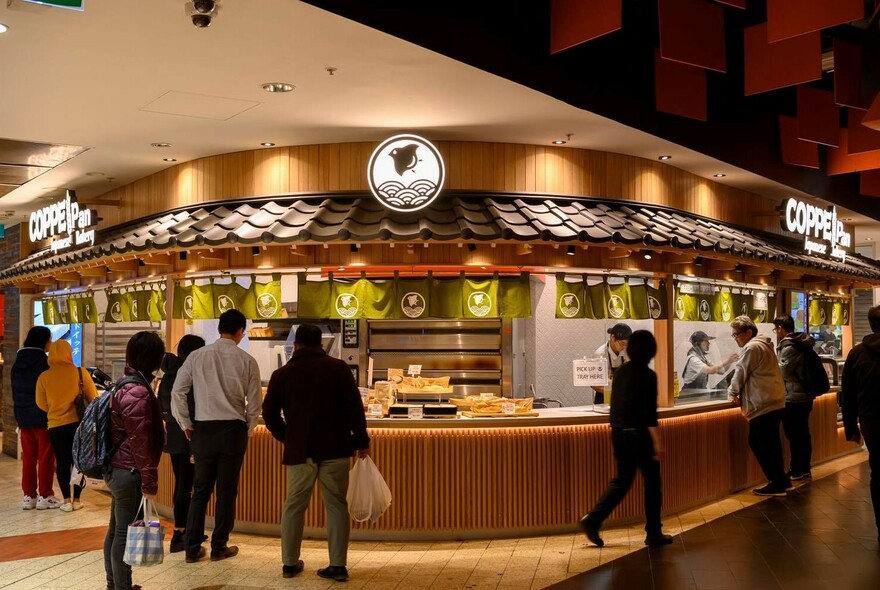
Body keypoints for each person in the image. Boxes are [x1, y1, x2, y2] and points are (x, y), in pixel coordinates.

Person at [262, 324, 370, 581]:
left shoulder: (282, 373)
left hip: (300, 450)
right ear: (321, 344)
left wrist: (287, 436)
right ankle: (338, 565)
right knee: (336, 505)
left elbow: (269, 414)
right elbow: (355, 408)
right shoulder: (338, 368)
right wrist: (361, 439)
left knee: (294, 505)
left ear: (296, 345)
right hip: (335, 447)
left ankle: (289, 563)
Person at [171, 309, 262, 563]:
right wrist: (248, 428)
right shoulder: (247, 360)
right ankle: (219, 546)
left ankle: (191, 547)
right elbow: (255, 403)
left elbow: (178, 392)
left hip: (203, 430)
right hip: (233, 430)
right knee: (226, 490)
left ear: (220, 328)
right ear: (241, 332)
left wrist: (186, 423)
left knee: (200, 490)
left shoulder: (197, 357)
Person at [579, 330, 672, 547]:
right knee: (652, 483)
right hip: (639, 434)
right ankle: (654, 533)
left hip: (618, 432)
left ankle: (594, 518)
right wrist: (657, 442)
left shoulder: (621, 372)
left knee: (622, 480)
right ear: (651, 350)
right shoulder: (648, 375)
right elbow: (649, 414)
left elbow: (615, 405)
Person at [104, 332, 166, 590]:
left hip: (117, 468)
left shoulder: (126, 383)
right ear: (153, 358)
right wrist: (150, 480)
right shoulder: (137, 391)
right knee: (121, 534)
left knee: (116, 530)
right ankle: (121, 586)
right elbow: (140, 442)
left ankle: (114, 584)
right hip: (128, 471)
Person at [727, 315, 792, 496]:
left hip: (762, 402)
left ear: (748, 332)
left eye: (736, 334)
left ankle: (776, 482)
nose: (735, 338)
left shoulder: (752, 347)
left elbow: (740, 371)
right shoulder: (764, 345)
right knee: (771, 443)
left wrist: (732, 393)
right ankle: (781, 480)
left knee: (758, 441)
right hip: (774, 400)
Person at [35, 339, 99, 512]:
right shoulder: (80, 372)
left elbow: (41, 403)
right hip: (77, 425)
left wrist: (55, 409)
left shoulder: (44, 377)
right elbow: (93, 398)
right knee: (78, 461)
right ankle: (77, 500)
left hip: (55, 425)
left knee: (62, 462)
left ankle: (65, 501)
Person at [157, 335, 205, 553]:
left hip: (173, 437)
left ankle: (185, 530)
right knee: (189, 486)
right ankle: (180, 533)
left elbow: (161, 406)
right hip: (189, 436)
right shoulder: (189, 375)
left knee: (182, 485)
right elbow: (194, 407)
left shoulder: (168, 375)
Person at [841, 305, 880, 543]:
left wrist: (851, 428)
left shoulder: (857, 354)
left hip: (872, 422)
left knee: (878, 474)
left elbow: (848, 394)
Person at [12, 326, 60, 510]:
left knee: (29, 458)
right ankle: (46, 495)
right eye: (50, 339)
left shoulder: (17, 362)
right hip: (42, 417)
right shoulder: (44, 363)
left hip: (23, 417)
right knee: (46, 457)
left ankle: (29, 496)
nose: (51, 343)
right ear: (43, 341)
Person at [773, 314, 816, 481]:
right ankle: (804, 468)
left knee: (795, 435)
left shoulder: (789, 346)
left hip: (793, 397)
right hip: (805, 395)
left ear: (780, 329)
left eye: (776, 329)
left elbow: (783, 372)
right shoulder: (802, 342)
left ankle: (797, 469)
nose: (776, 332)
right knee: (803, 433)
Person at [592, 323, 632, 404]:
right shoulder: (600, 354)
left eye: (627, 344)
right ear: (612, 338)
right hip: (603, 396)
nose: (624, 347)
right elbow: (595, 384)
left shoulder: (627, 351)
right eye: (622, 343)